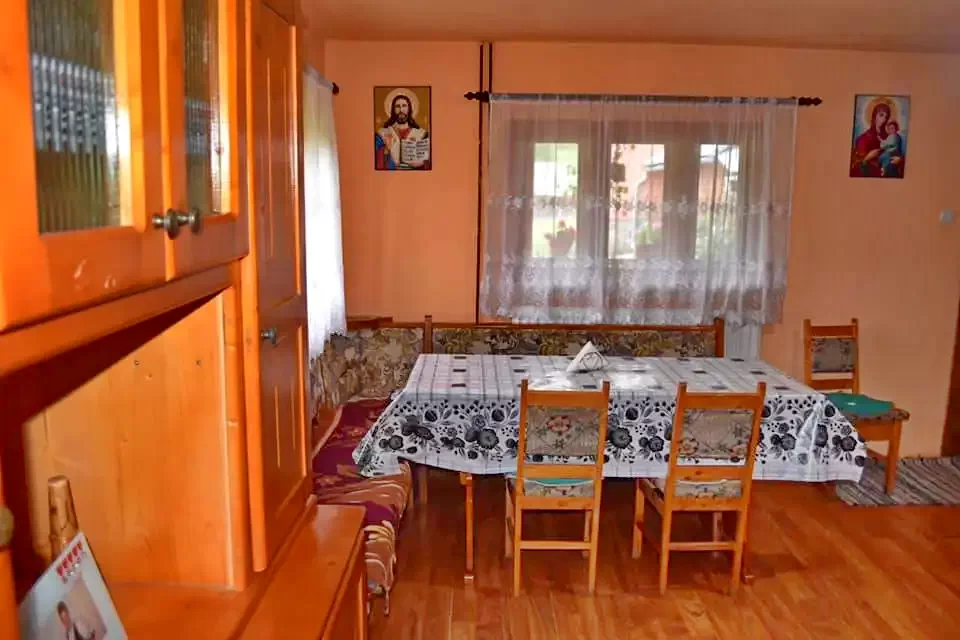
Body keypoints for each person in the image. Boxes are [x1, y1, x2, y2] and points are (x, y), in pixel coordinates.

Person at [375, 93, 430, 170]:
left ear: (409, 109)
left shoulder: (421, 134)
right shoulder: (382, 133)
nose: (401, 110)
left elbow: (428, 161)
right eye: (397, 106)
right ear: (393, 110)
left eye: (404, 106)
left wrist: (420, 162)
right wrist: (386, 150)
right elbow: (373, 158)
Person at [850, 101, 903, 177]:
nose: (884, 119)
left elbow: (899, 154)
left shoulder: (892, 136)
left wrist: (899, 160)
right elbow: (855, 167)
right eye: (881, 115)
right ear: (874, 116)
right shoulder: (863, 138)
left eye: (886, 117)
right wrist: (867, 157)